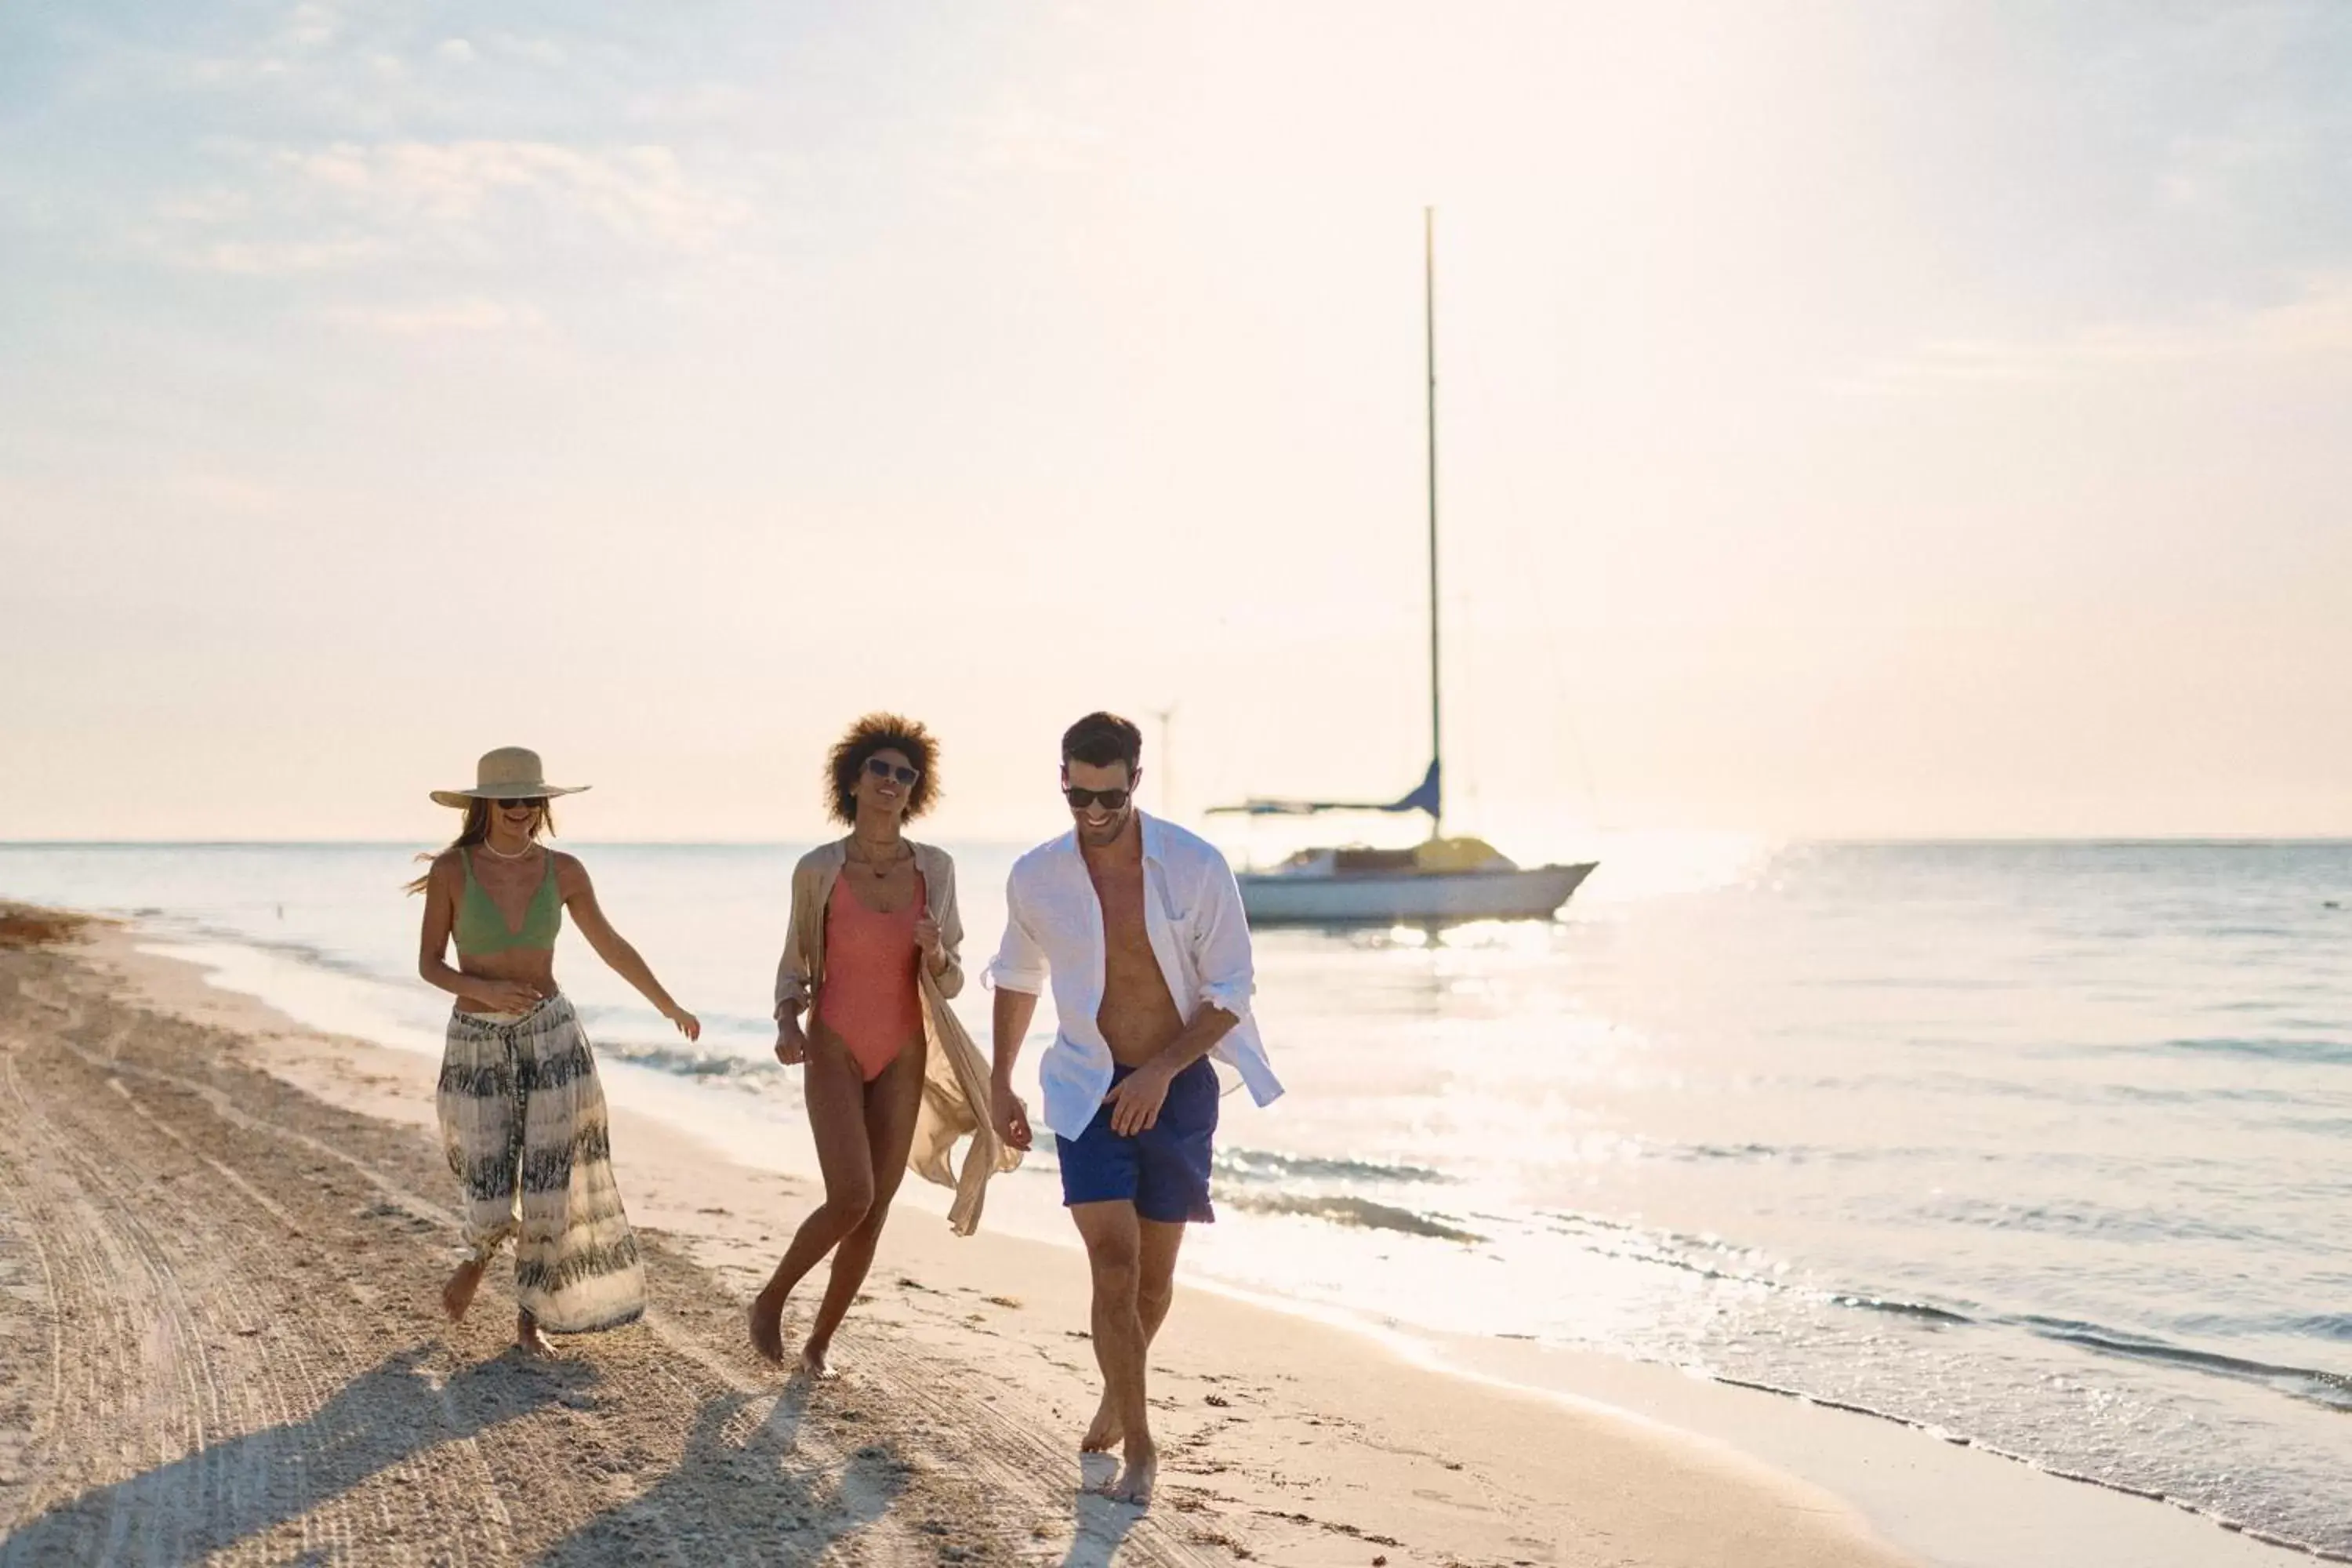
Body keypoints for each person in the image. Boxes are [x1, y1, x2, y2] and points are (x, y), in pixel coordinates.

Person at [988, 712, 1283, 1507]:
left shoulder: (1194, 864)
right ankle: (1143, 1447)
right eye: (1077, 794)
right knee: (1112, 1266)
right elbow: (1017, 976)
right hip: (1087, 1084)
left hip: (1176, 1086)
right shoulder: (1038, 874)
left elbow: (1231, 995)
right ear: (1063, 779)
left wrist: (1158, 1070)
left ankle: (1121, 1390)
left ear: (1135, 783)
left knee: (1153, 1281)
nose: (1091, 812)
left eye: (1107, 797)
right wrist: (999, 1080)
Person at [411, 746, 699, 1356]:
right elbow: (430, 965)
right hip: (477, 1045)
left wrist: (667, 1004)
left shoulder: (564, 870)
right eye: (509, 800)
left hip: (553, 1037)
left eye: (531, 800)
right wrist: (483, 989)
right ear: (485, 805)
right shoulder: (452, 872)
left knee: (549, 1183)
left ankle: (529, 1318)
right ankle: (478, 1255)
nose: (522, 811)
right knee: (487, 1180)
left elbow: (611, 944)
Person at [754, 714, 1014, 1375]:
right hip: (835, 1044)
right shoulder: (818, 869)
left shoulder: (936, 870)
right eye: (881, 770)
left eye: (906, 774)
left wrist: (934, 953)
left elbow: (950, 980)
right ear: (854, 778)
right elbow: (794, 966)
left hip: (903, 1052)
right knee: (851, 1195)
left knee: (875, 1210)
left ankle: (818, 1343)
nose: (893, 782)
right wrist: (787, 1022)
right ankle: (772, 1299)